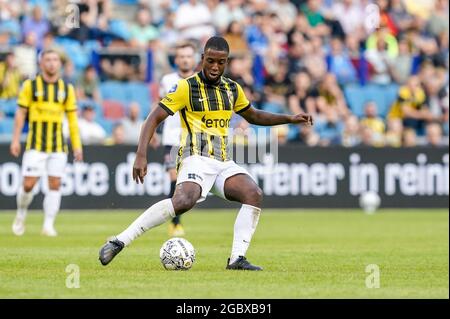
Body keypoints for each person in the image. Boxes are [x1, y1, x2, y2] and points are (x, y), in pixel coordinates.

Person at [98, 37, 313, 270]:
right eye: (210, 61)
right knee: (183, 201)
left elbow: (254, 116)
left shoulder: (232, 88)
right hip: (194, 157)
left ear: (226, 63)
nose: (214, 67)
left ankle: (236, 259)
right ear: (202, 59)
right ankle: (120, 241)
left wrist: (289, 119)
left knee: (253, 193)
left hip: (223, 161)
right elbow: (153, 118)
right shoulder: (185, 87)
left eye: (220, 62)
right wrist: (141, 154)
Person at [10, 48, 83, 237]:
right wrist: (16, 139)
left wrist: (77, 146)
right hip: (35, 145)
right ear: (41, 63)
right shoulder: (30, 86)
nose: (51, 63)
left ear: (59, 64)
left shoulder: (67, 89)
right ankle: (21, 214)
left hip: (58, 146)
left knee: (55, 184)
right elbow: (20, 114)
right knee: (28, 185)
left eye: (55, 60)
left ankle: (48, 225)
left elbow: (73, 121)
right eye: (48, 59)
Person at [160, 41, 197, 237]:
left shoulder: (200, 80)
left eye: (188, 56)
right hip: (171, 137)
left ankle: (176, 217)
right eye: (181, 56)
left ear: (194, 59)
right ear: (176, 59)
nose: (184, 59)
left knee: (189, 183)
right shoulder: (167, 80)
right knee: (174, 178)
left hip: (194, 139)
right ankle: (175, 222)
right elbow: (159, 108)